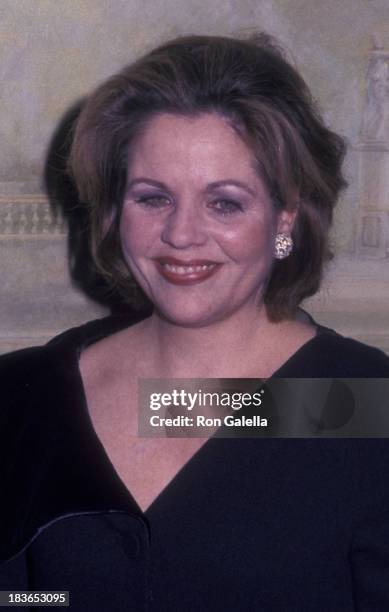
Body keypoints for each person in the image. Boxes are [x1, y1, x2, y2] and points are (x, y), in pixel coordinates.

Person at [1, 33, 389, 611]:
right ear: (114, 211)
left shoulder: (362, 403)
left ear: (286, 216)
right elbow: (26, 598)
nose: (181, 235)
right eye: (153, 197)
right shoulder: (22, 395)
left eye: (224, 202)